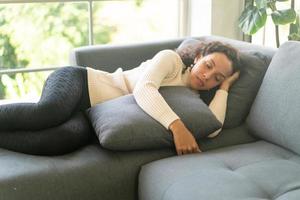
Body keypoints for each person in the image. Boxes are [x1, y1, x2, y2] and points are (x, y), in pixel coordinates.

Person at [0, 40, 240, 155]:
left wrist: (225, 88)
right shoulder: (171, 60)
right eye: (208, 65)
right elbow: (144, 89)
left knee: (62, 140)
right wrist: (177, 126)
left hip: (91, 116)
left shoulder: (192, 100)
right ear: (198, 56)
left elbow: (213, 127)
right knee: (49, 112)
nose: (207, 76)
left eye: (216, 78)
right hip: (80, 83)